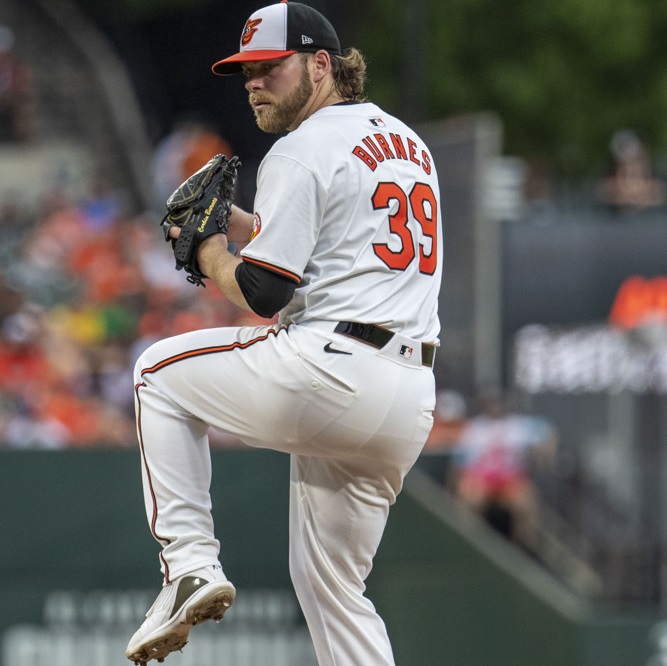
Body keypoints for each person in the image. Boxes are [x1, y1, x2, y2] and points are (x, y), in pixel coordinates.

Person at [126, 2, 443, 665]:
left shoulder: (300, 147)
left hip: (330, 369)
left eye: (270, 68)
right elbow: (333, 245)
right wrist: (241, 224)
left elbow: (266, 294)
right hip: (406, 394)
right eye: (246, 72)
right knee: (334, 592)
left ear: (321, 65)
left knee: (157, 372)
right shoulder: (406, 142)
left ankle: (188, 565)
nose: (254, 83)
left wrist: (209, 248)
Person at [448, 389, 557, 551]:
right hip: (481, 477)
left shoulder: (518, 426)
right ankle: (468, 543)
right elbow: (459, 463)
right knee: (469, 497)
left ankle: (523, 549)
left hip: (510, 477)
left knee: (525, 504)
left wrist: (545, 455)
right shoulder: (475, 428)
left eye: (499, 404)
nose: (495, 408)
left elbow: (547, 431)